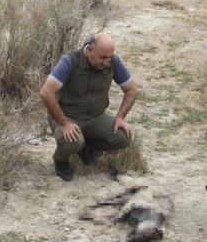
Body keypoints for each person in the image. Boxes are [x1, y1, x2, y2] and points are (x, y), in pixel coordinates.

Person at [39, 33, 138, 181]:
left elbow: (131, 89)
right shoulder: (70, 61)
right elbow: (46, 93)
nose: (106, 62)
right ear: (90, 50)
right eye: (102, 57)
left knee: (123, 137)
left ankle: (86, 148)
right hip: (67, 115)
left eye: (109, 57)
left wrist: (120, 117)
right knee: (72, 142)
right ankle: (60, 161)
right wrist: (64, 124)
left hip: (96, 116)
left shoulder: (113, 62)